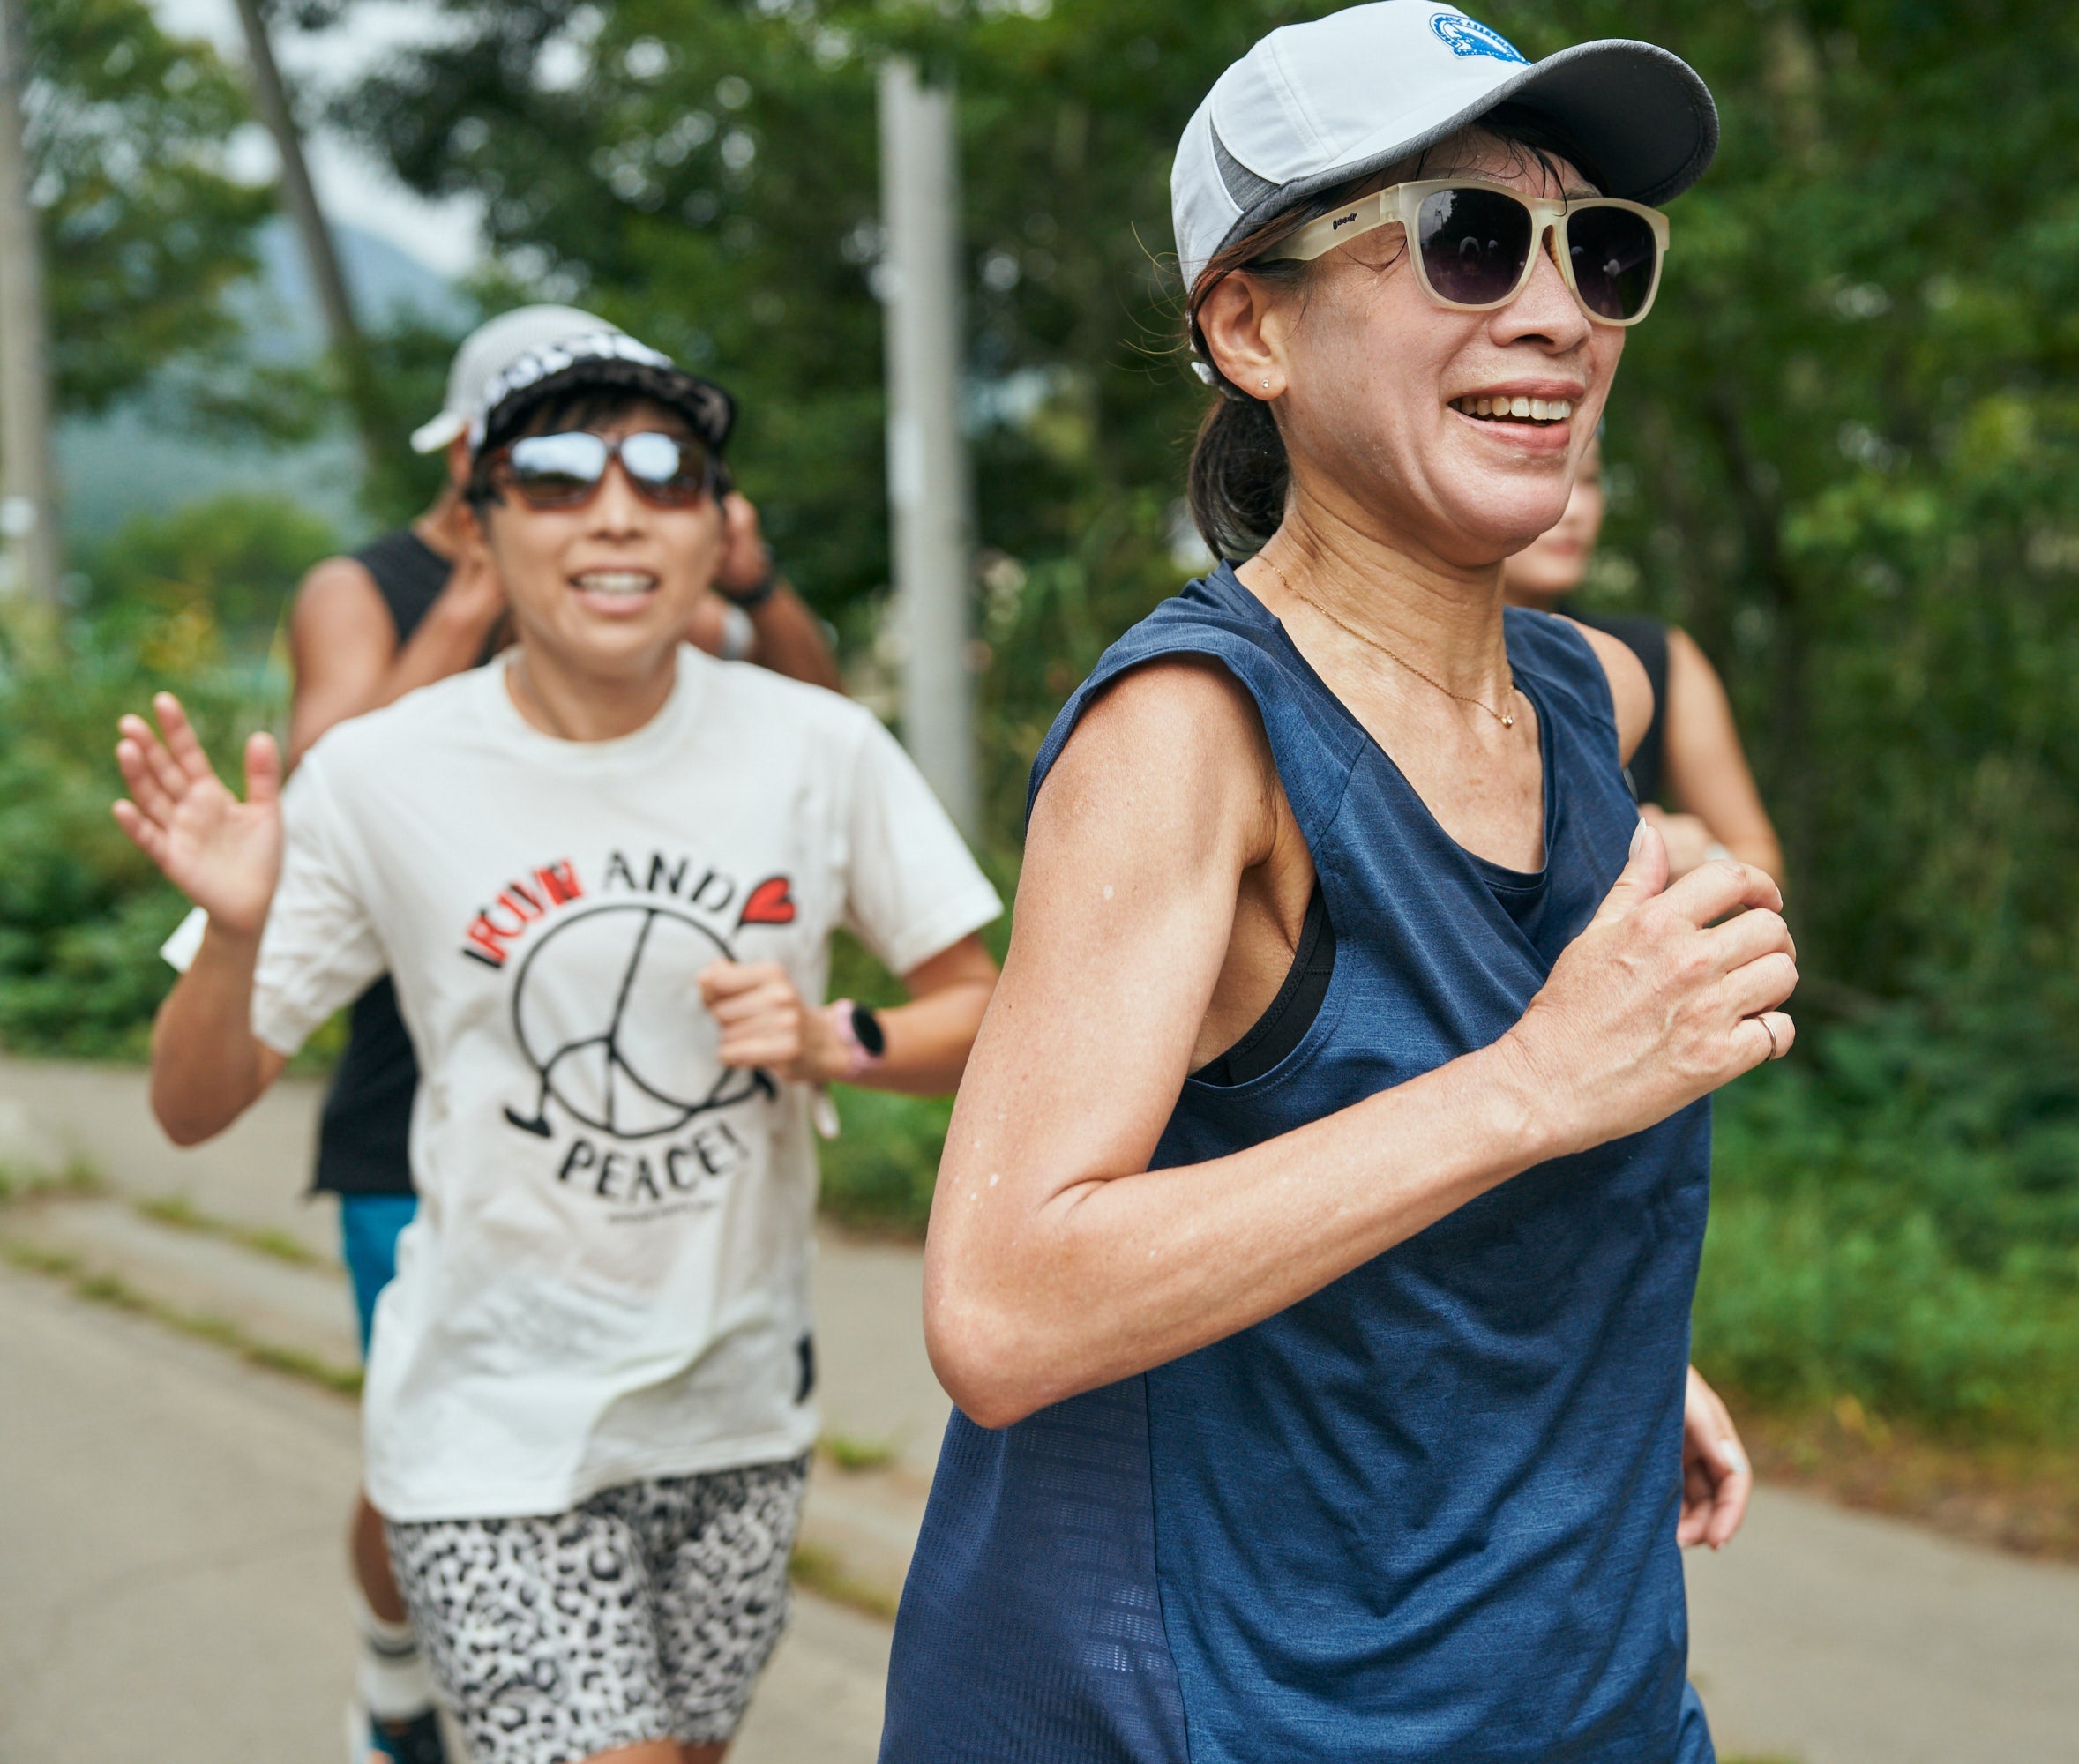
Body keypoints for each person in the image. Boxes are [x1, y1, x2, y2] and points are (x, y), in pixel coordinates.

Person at [879, 6, 1793, 1760]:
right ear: (1251, 323)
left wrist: (1581, 1353)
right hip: (1229, 1709)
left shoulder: (1593, 703)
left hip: (1579, 1685)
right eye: (1467, 238)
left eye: (1598, 252)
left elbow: (1396, 1162)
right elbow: (1002, 1304)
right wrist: (1535, 1090)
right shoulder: (1194, 736)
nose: (1556, 313)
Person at [116, 326, 1002, 1764]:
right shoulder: (381, 776)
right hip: (488, 1426)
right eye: (555, 476)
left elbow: (984, 1006)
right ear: (482, 527)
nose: (614, 510)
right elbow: (190, 1106)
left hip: (735, 1412)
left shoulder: (816, 749)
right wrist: (231, 935)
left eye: (665, 476)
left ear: (719, 530)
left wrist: (839, 1035)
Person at [1502, 431, 1787, 881]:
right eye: (1541, 470)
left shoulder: (1656, 655)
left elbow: (1761, 860)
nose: (1573, 510)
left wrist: (1700, 859)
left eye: (1591, 478)